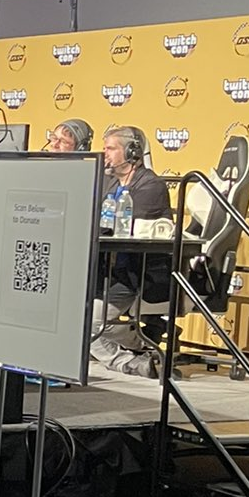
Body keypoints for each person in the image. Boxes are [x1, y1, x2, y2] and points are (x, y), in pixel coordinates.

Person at [91, 125, 174, 377]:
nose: (105, 154)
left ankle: (135, 353)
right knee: (70, 316)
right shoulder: (110, 183)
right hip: (106, 273)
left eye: (110, 148)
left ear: (132, 151)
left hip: (136, 276)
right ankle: (143, 343)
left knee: (87, 322)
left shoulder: (151, 186)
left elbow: (118, 227)